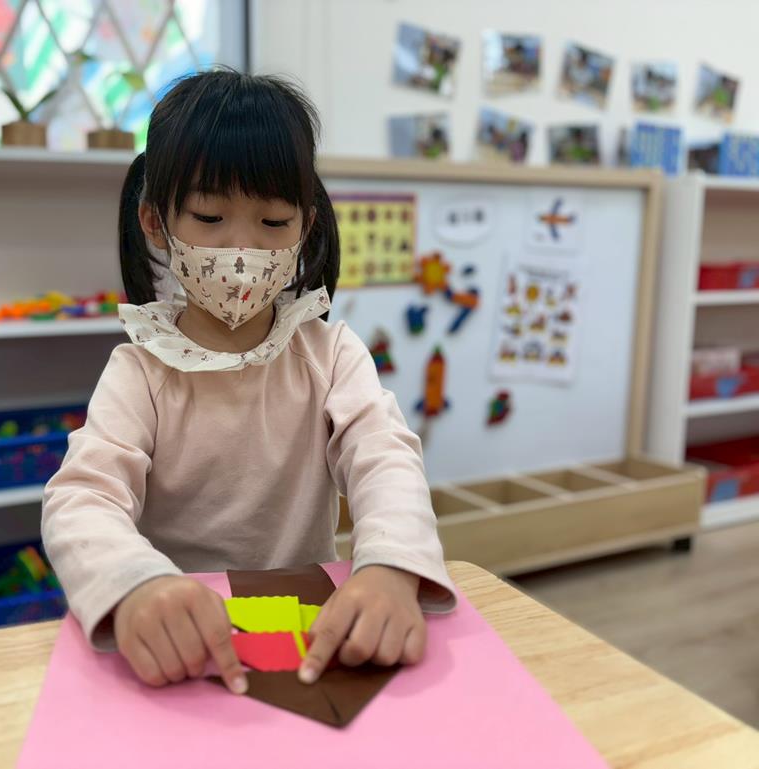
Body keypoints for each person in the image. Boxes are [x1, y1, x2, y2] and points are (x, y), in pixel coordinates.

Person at [42, 68, 456, 697]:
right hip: (182, 639)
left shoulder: (332, 355)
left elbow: (385, 461)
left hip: (310, 627)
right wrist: (132, 584)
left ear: (306, 227)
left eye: (273, 223)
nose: (242, 251)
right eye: (209, 216)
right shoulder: (140, 370)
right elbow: (83, 497)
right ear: (154, 222)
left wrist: (392, 567)